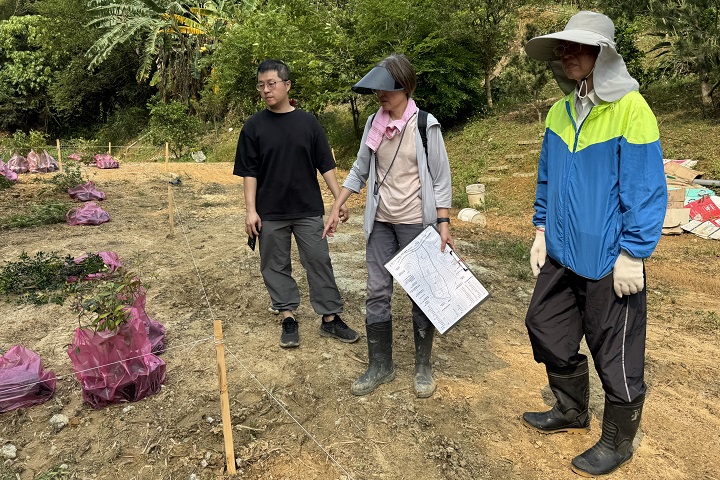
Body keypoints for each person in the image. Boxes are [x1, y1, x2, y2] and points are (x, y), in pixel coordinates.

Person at [521, 11, 667, 477]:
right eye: (563, 47)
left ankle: (617, 441)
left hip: (609, 257)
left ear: (603, 55)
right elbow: (547, 177)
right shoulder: (559, 112)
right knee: (544, 324)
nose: (568, 54)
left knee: (615, 352)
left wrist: (633, 253)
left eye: (578, 47)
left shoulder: (630, 109)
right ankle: (571, 408)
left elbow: (645, 187)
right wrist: (541, 229)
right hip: (562, 251)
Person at [323, 54, 453, 398]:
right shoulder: (373, 123)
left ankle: (423, 366)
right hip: (381, 222)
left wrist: (443, 222)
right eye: (376, 89)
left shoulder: (425, 125)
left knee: (420, 293)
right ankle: (380, 365)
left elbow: (441, 178)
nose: (380, 94)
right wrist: (336, 206)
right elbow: (359, 169)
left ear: (405, 87)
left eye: (387, 88)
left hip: (415, 222)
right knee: (377, 291)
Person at [233, 59, 359, 348]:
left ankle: (330, 318)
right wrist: (251, 211)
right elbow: (249, 172)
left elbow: (325, 164)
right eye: (261, 85)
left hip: (307, 208)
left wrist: (338, 199)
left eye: (271, 84)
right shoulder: (253, 126)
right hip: (270, 211)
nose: (266, 90)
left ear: (287, 85)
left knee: (318, 260)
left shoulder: (308, 123)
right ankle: (287, 316)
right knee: (275, 265)